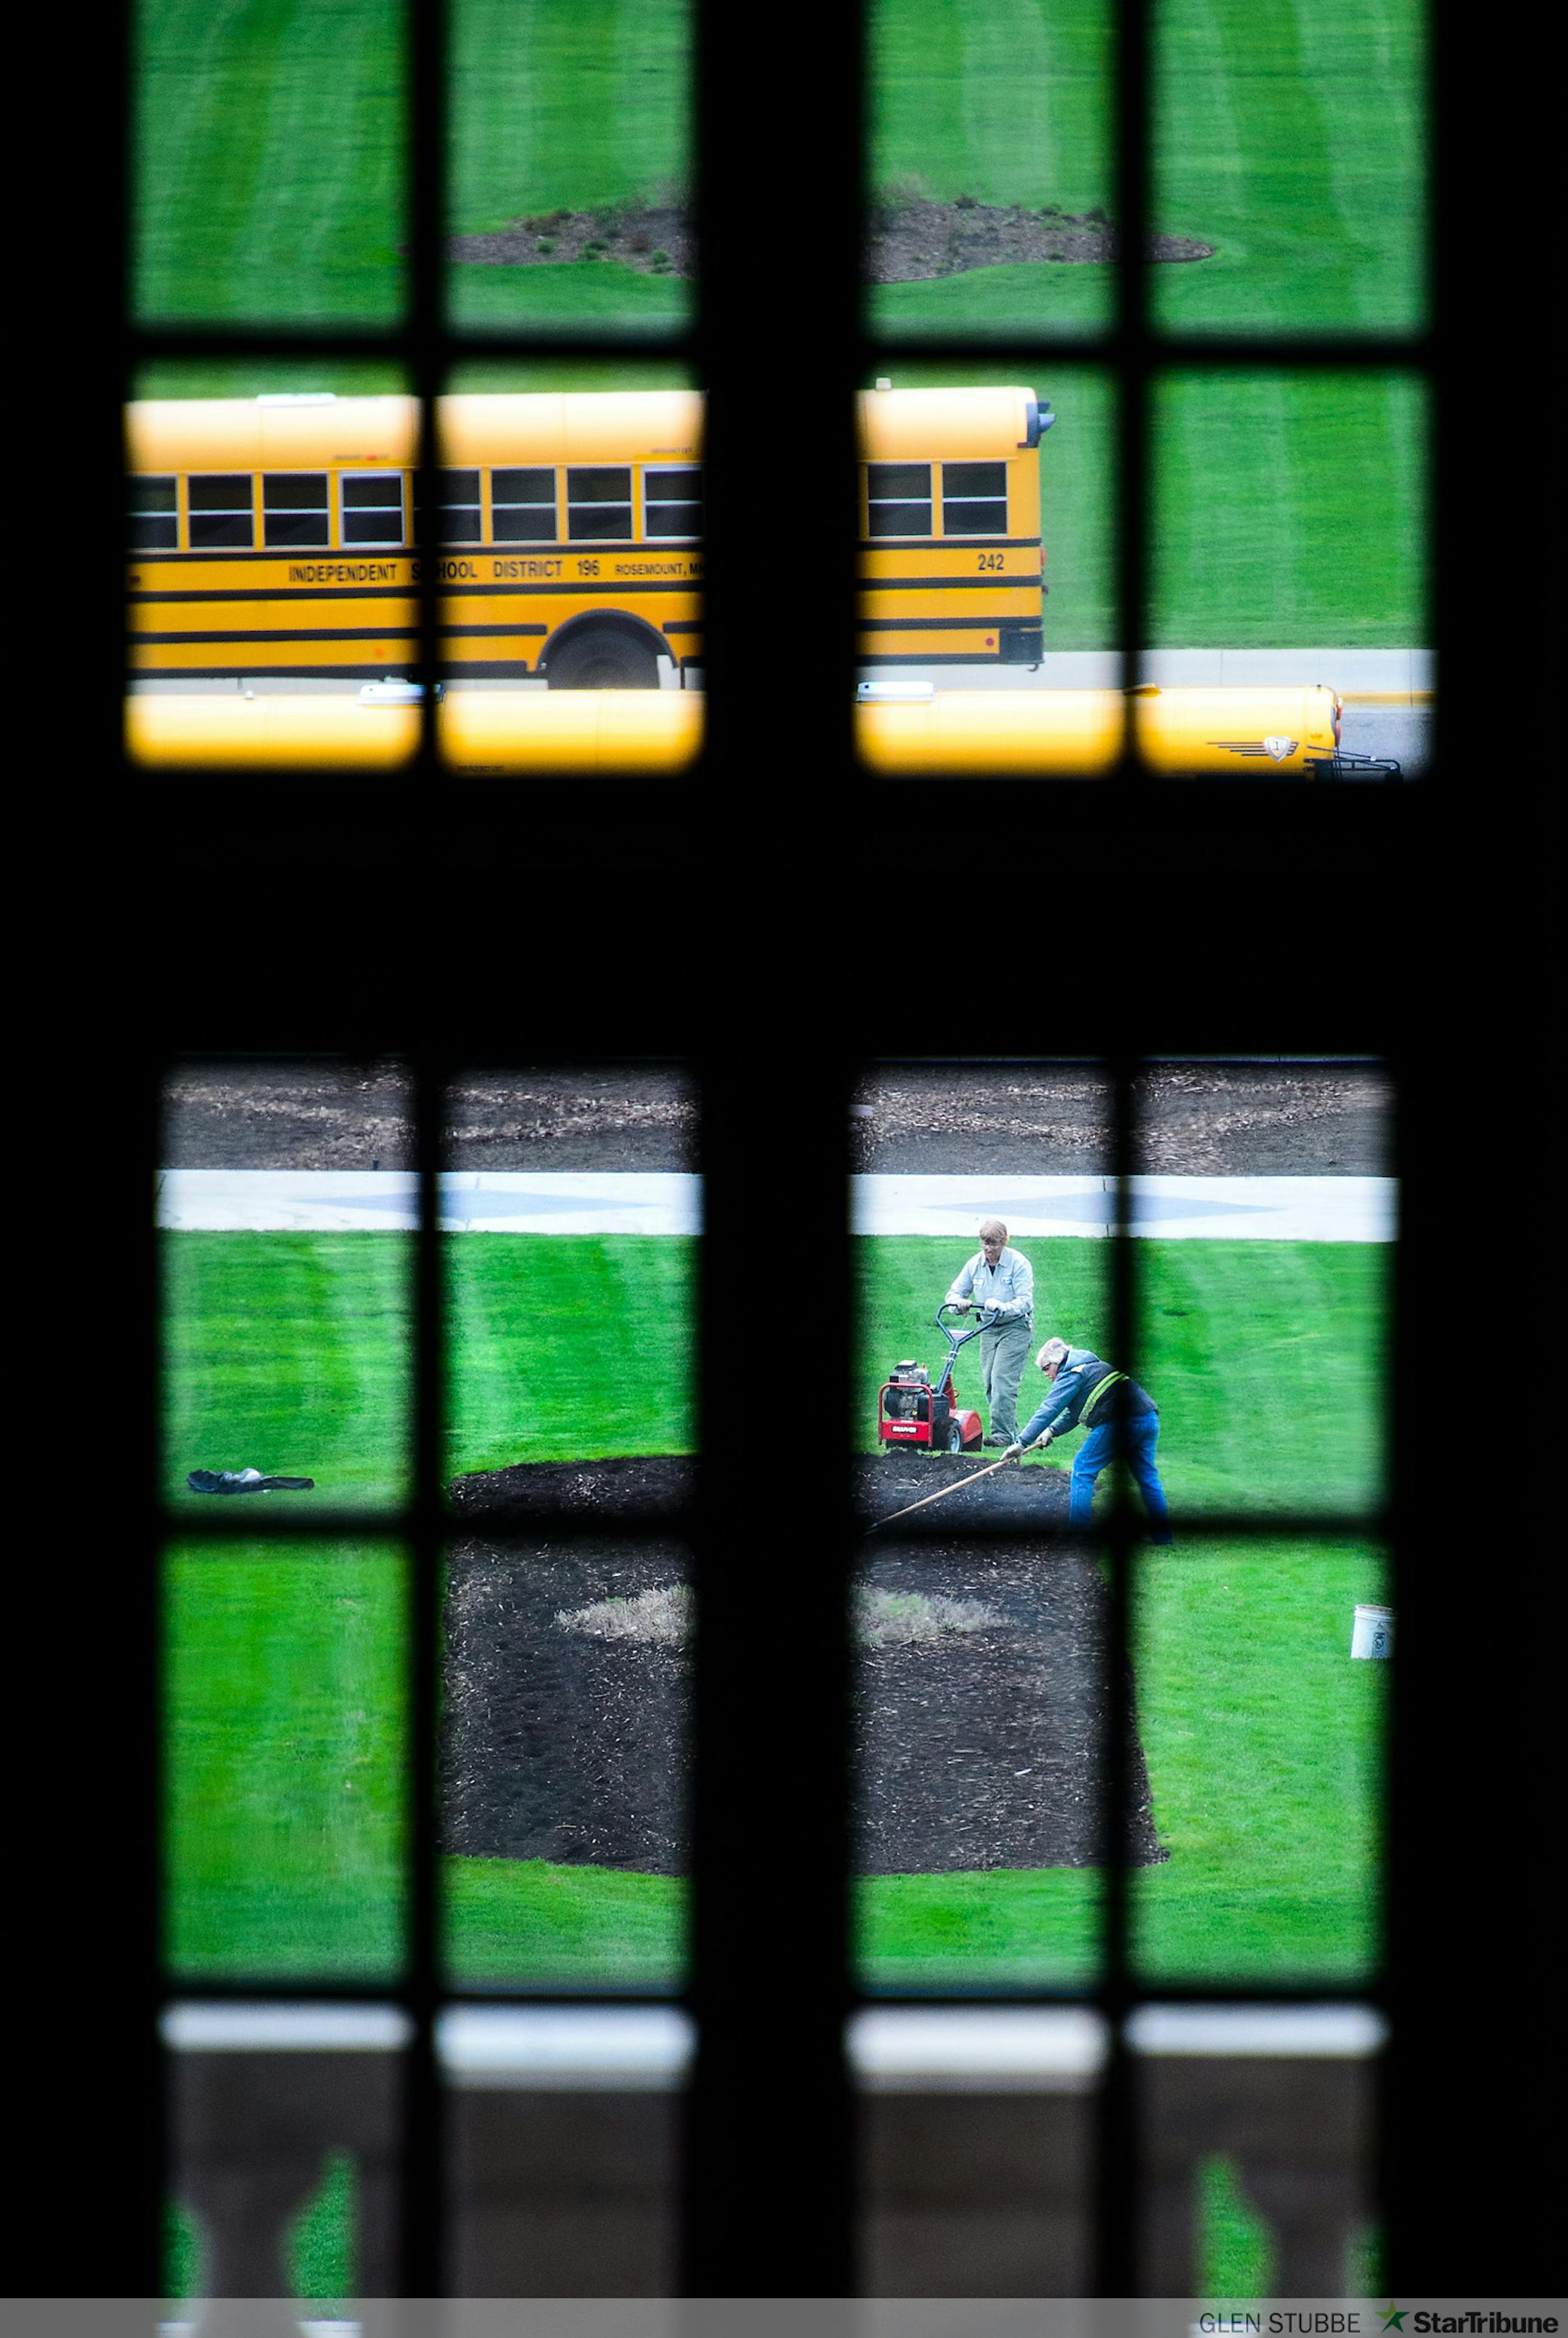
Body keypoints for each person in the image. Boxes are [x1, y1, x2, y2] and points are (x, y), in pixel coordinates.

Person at [1003, 1335, 1172, 1544]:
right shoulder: (1091, 1366)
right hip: (1148, 1419)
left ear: (1057, 1361)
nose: (1046, 1374)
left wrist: (1021, 1443)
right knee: (1147, 1477)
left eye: (1046, 1368)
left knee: (1083, 1469)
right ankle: (1163, 1536)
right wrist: (1052, 1431)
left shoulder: (1072, 1373)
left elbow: (1048, 1408)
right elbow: (1076, 1412)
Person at [944, 1218, 1034, 1448]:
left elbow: (1025, 1301)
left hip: (1015, 1327)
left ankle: (1003, 1435)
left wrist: (1003, 1306)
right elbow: (954, 1293)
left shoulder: (1018, 1264)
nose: (988, 1248)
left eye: (993, 1244)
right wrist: (959, 1304)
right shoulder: (975, 1264)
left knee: (1002, 1381)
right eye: (985, 1243)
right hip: (987, 1328)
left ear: (1004, 1242)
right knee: (989, 1384)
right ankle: (1013, 1435)